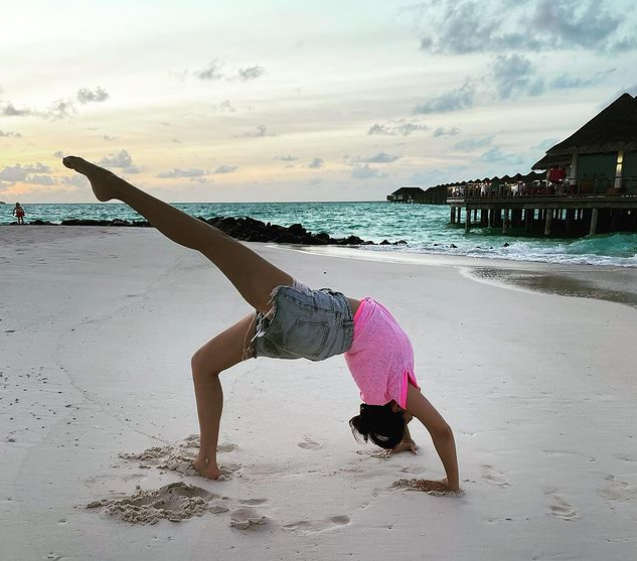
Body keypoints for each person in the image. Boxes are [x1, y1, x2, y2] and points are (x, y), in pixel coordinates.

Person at [62, 156, 460, 494]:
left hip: (318, 320)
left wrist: (451, 484)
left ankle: (118, 188)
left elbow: (441, 431)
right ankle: (206, 462)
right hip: (314, 337)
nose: (410, 413)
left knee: (213, 242)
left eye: (404, 418)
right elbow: (401, 413)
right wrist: (401, 439)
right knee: (204, 364)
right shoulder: (396, 387)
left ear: (395, 407)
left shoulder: (395, 391)